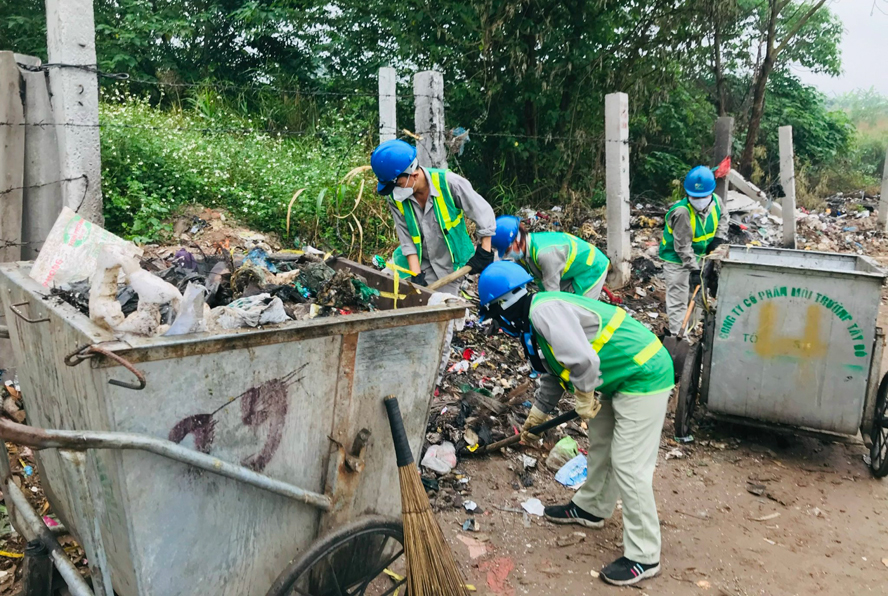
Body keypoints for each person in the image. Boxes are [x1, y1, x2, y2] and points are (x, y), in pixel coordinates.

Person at [477, 261, 675, 587]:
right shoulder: (533, 323)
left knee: (628, 464)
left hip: (644, 373)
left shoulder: (544, 311)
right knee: (601, 446)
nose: (498, 326)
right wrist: (538, 414)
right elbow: (554, 369)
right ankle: (592, 508)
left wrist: (584, 398)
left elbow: (583, 361)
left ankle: (644, 555)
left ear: (503, 306)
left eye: (495, 317)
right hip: (613, 379)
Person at [371, 139, 496, 294]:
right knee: (383, 291)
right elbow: (407, 240)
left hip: (449, 265)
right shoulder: (396, 197)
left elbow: (483, 213)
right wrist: (416, 275)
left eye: (397, 184)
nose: (394, 191)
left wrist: (485, 251)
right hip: (417, 260)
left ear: (414, 175)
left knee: (440, 308)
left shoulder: (450, 183)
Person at [659, 166, 729, 335]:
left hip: (700, 256)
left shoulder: (716, 202)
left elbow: (724, 218)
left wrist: (717, 239)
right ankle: (678, 337)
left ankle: (691, 329)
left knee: (696, 296)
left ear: (710, 192)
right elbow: (682, 246)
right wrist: (694, 270)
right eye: (694, 196)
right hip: (676, 260)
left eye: (703, 196)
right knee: (678, 300)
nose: (699, 199)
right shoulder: (682, 212)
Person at [491, 215, 611, 299]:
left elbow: (552, 296)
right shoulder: (524, 252)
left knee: (583, 312)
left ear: (516, 242)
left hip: (592, 268)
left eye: (506, 251)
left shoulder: (545, 255)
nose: (507, 255)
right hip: (572, 271)